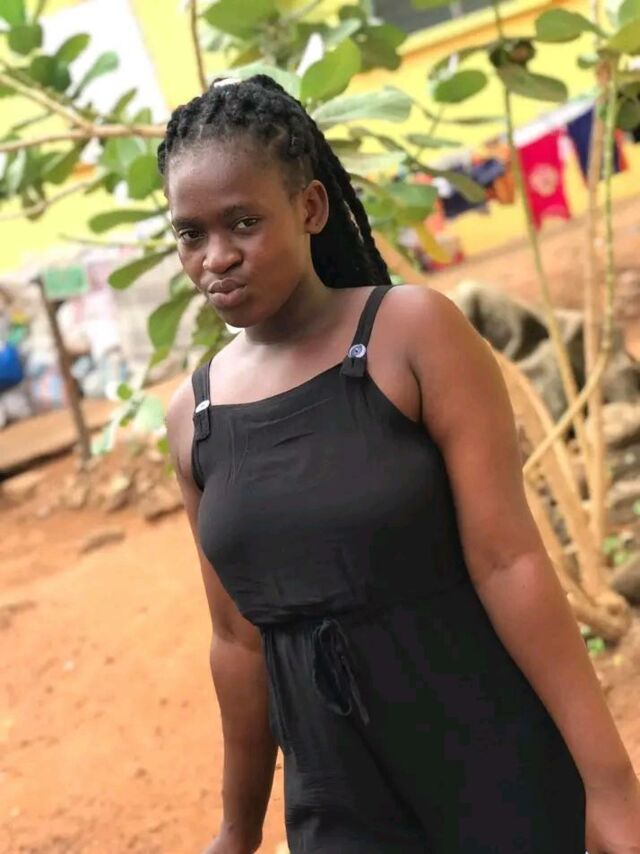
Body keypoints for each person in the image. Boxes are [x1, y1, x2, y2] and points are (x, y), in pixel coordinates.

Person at [160, 75, 640, 854]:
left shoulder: (410, 336)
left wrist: (611, 787)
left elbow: (509, 562)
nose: (217, 257)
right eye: (190, 234)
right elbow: (237, 642)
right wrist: (237, 829)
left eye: (244, 222)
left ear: (310, 208)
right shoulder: (195, 416)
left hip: (493, 762)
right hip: (336, 800)